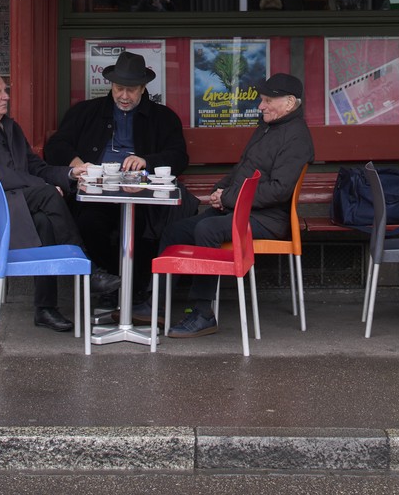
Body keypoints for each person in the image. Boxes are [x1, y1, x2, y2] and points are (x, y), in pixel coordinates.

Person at [0, 64, 117, 333]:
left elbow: (35, 166)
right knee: (46, 195)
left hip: (17, 200)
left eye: (5, 90)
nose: (6, 97)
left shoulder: (9, 128)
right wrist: (43, 186)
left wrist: (70, 173)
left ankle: (45, 308)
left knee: (44, 222)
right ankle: (88, 268)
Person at [159, 72, 315, 338]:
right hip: (239, 209)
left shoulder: (297, 138)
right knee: (175, 230)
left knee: (207, 229)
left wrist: (229, 197)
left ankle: (203, 314)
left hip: (268, 219)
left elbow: (278, 190)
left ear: (289, 103)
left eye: (267, 101)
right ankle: (157, 304)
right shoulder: (268, 127)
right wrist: (220, 190)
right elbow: (242, 168)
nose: (260, 106)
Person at [43, 51, 189, 315]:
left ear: (143, 88)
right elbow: (55, 146)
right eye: (119, 88)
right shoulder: (86, 111)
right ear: (110, 86)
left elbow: (179, 157)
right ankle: (110, 285)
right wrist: (76, 163)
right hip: (99, 193)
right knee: (88, 223)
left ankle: (134, 290)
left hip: (144, 198)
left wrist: (146, 160)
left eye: (131, 90)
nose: (124, 96)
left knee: (145, 228)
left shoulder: (163, 117)